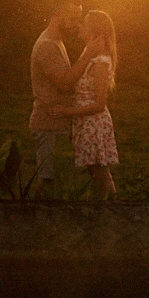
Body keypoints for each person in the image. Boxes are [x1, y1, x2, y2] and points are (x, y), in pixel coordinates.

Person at [29, 0, 105, 198]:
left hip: (58, 123)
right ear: (57, 15)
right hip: (49, 124)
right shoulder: (47, 46)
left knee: (57, 182)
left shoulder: (57, 42)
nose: (76, 24)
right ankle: (29, 219)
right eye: (72, 18)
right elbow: (64, 82)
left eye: (78, 19)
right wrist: (89, 53)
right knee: (48, 182)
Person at [48, 10, 118, 197]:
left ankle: (110, 208)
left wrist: (66, 111)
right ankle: (107, 206)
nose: (80, 26)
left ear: (95, 31)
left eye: (85, 24)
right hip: (86, 124)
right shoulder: (90, 57)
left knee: (99, 172)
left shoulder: (100, 64)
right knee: (95, 171)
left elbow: (100, 104)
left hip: (94, 125)